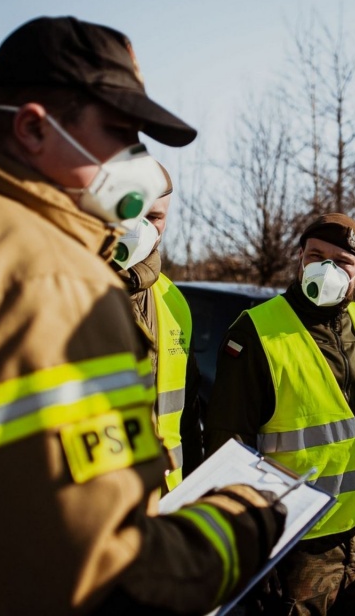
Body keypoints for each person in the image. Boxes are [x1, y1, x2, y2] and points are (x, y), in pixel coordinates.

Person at [0, 15, 285, 615]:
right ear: (32, 127)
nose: (137, 161)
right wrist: (242, 524)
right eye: (120, 133)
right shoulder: (44, 278)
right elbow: (103, 580)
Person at [205, 213, 355, 616]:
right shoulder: (256, 331)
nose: (326, 268)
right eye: (316, 255)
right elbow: (228, 447)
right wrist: (249, 547)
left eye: (342, 261)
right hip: (293, 544)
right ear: (300, 258)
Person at [110, 177, 202, 489]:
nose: (141, 229)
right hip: (101, 505)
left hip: (167, 496)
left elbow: (187, 417)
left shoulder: (173, 300)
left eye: (154, 217)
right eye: (132, 213)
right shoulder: (65, 288)